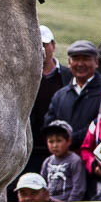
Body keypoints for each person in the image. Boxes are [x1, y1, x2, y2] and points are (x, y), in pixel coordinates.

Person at [25, 26, 74, 179]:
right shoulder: (23, 77)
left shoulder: (69, 76)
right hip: (29, 150)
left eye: (44, 45)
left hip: (61, 149)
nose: (40, 50)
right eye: (35, 45)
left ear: (53, 45)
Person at [44, 41, 101, 151]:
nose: (80, 64)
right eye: (75, 59)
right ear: (69, 63)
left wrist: (71, 140)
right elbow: (49, 126)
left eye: (86, 59)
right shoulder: (60, 96)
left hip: (97, 159)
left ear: (96, 62)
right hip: (65, 161)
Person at [40, 120, 86, 202]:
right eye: (51, 141)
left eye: (59, 141)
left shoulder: (75, 160)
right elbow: (42, 184)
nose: (55, 145)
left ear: (69, 141)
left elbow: (79, 188)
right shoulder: (47, 161)